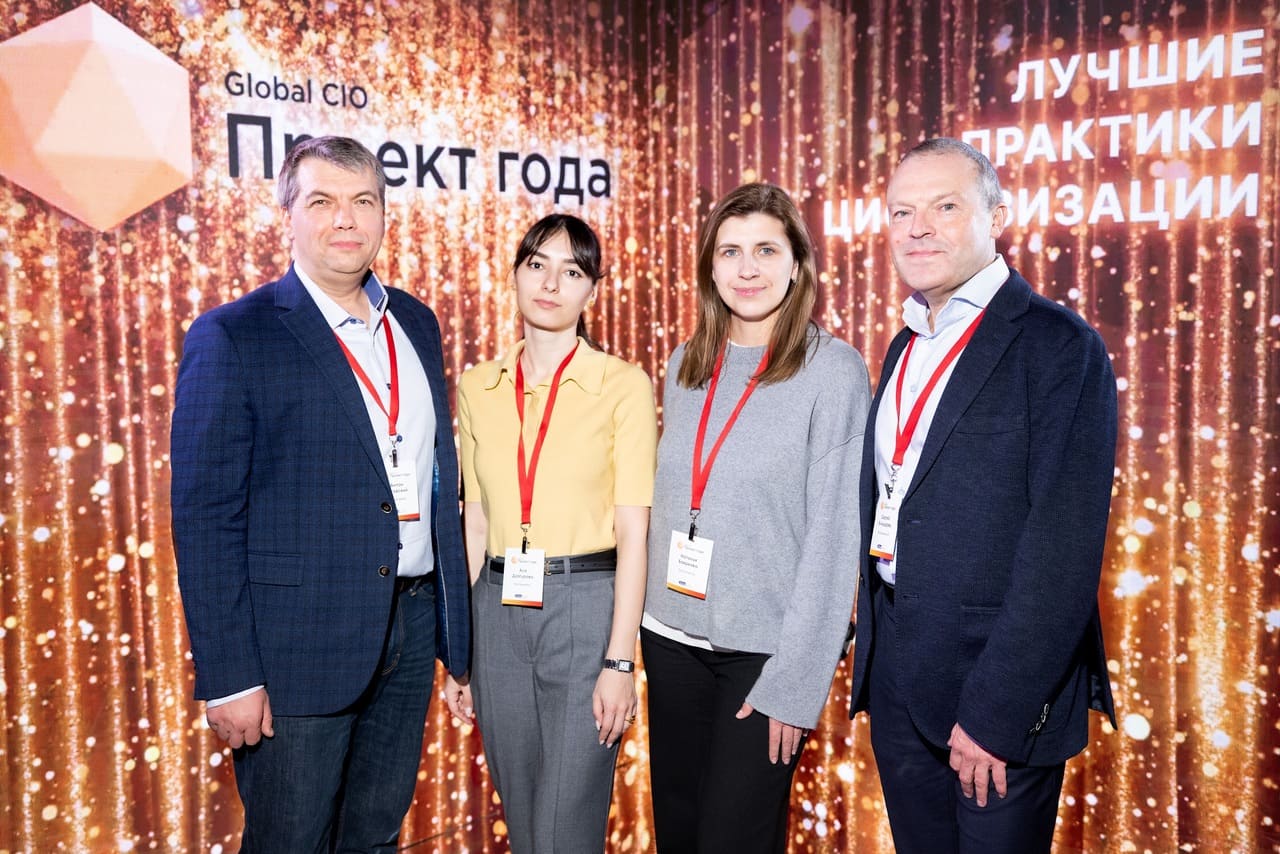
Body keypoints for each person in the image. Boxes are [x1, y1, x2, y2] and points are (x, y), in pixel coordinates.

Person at [170, 135, 470, 853]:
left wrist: (456, 641)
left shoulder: (417, 323)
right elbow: (206, 518)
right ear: (289, 216)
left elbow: (437, 478)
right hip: (295, 650)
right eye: (323, 201)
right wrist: (230, 675)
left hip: (410, 624)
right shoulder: (233, 335)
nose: (346, 219)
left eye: (364, 201)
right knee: (291, 841)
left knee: (375, 837)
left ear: (383, 215)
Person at [848, 137, 1118, 853]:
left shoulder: (1060, 347)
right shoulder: (906, 343)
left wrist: (998, 713)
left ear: (997, 217)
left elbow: (1062, 554)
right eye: (901, 212)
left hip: (995, 693)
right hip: (900, 678)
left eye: (944, 207)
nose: (917, 229)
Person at [641, 183, 870, 852]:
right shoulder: (686, 363)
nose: (747, 269)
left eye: (766, 250)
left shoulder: (834, 372)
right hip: (669, 639)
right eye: (730, 251)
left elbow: (834, 540)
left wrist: (797, 684)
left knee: (733, 839)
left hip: (764, 655)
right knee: (679, 834)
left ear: (797, 264)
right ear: (709, 267)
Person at [442, 214, 657, 852]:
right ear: (514, 274)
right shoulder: (477, 387)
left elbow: (635, 533)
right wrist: (459, 653)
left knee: (566, 828)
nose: (551, 283)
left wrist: (620, 660)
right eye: (537, 264)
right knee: (526, 823)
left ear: (592, 290)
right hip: (496, 612)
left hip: (584, 608)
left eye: (572, 271)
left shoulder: (622, 386)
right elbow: (475, 522)